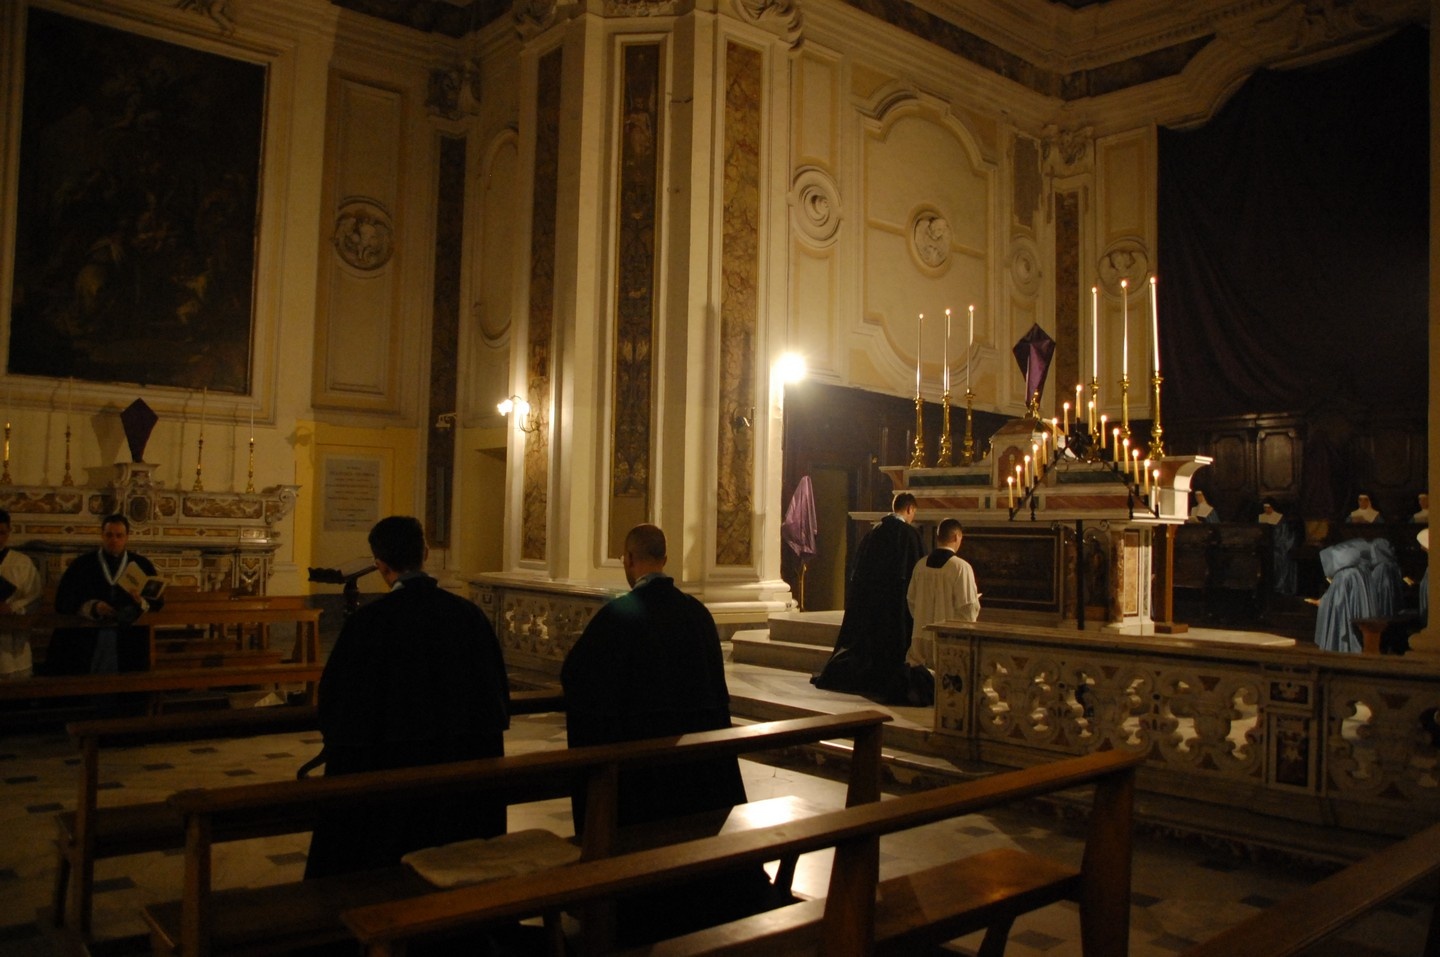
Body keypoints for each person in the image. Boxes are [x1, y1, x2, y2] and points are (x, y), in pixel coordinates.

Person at [561, 523, 772, 944]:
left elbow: (576, 678)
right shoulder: (697, 614)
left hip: (642, 777)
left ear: (628, 560)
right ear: (665, 559)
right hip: (697, 769)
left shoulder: (618, 616)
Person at [305, 515, 511, 880]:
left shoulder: (368, 623)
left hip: (387, 789)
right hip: (457, 786)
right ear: (425, 553)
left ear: (380, 565)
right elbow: (495, 697)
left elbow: (337, 703)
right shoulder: (468, 616)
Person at [812, 492, 924, 704]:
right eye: (913, 513)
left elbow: (859, 571)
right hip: (896, 606)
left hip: (871, 604)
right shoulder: (910, 536)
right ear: (910, 509)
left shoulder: (874, 532)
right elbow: (917, 572)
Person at [47, 514, 165, 674]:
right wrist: (93, 607)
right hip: (87, 636)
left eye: (119, 535)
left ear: (127, 537)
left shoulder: (141, 565)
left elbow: (157, 602)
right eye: (109, 535)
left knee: (126, 680)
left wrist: (141, 602)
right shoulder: (82, 564)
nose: (114, 540)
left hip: (129, 637)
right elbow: (63, 600)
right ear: (102, 535)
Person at [905, 518, 979, 671]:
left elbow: (911, 600)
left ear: (938, 537)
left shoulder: (920, 565)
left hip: (921, 637)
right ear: (956, 537)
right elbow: (969, 607)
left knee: (921, 678)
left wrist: (923, 617)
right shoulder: (960, 567)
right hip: (948, 641)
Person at [0, 511, 43, 679]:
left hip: (13, 640)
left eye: (2, 532)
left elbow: (35, 596)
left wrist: (13, 607)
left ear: (9, 531)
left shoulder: (21, 562)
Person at [1311, 539, 1373, 653]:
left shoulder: (1343, 576)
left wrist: (1323, 602)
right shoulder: (1358, 571)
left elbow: (1338, 601)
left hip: (1343, 618)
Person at [1259, 499, 1297, 595]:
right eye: (1265, 508)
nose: (1267, 509)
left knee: (1279, 566)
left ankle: (1279, 589)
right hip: (1266, 550)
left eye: (1268, 507)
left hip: (1278, 551)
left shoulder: (1280, 520)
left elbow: (1284, 537)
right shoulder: (1262, 518)